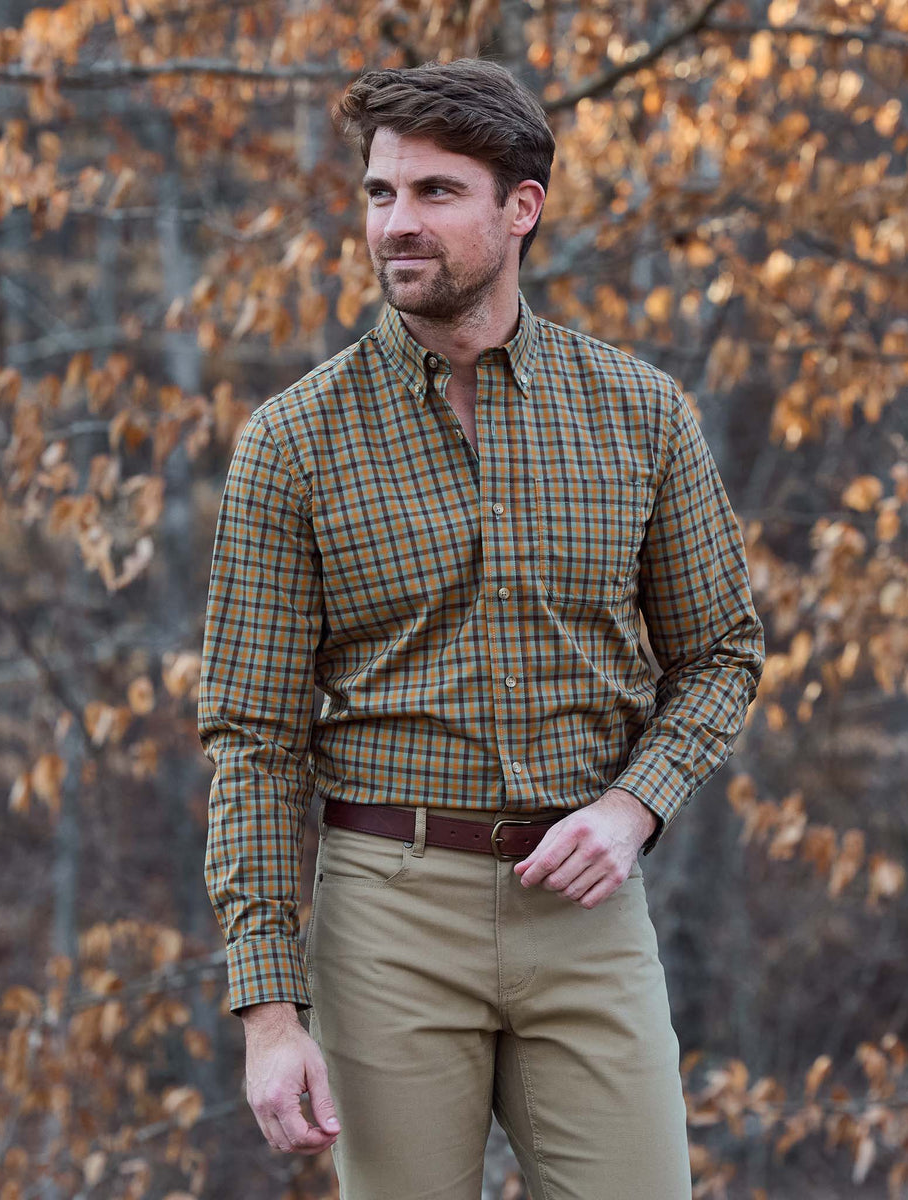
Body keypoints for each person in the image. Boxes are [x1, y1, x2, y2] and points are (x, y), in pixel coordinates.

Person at [198, 56, 765, 1200]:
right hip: (386, 911)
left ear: (522, 209)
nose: (396, 225)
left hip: (586, 912)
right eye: (379, 194)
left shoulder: (639, 414)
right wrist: (269, 1014)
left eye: (434, 192)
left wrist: (631, 806)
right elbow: (253, 741)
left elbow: (720, 654)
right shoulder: (292, 442)